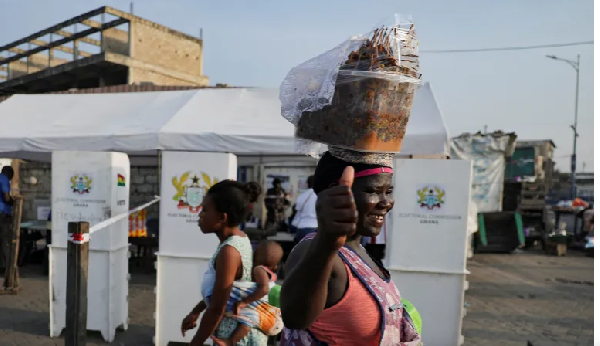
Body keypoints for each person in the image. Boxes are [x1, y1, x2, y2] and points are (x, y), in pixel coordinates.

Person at [280, 151, 422, 346]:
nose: (386, 202)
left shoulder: (359, 252)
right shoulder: (317, 252)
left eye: (388, 191)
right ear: (335, 194)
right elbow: (295, 318)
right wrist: (326, 243)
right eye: (373, 191)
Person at [181, 180, 268, 346]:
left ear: (222, 218)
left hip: (233, 338)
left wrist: (195, 343)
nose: (200, 214)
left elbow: (217, 308)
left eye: (205, 210)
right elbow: (223, 293)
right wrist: (197, 310)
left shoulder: (229, 252)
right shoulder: (239, 239)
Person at [209, 240, 285, 346]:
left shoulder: (259, 269)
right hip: (260, 324)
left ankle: (231, 341)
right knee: (248, 322)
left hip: (251, 307)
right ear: (275, 266)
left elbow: (264, 289)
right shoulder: (268, 274)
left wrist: (245, 302)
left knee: (248, 321)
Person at [291, 176, 318, 244]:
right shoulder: (320, 196)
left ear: (307, 184)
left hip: (301, 228)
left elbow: (297, 211)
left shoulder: (301, 196)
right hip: (315, 228)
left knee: (300, 252)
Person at [0, 166, 14, 270]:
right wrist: (12, 201)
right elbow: (6, 197)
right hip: (2, 213)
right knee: (5, 240)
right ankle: (6, 266)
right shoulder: (4, 179)